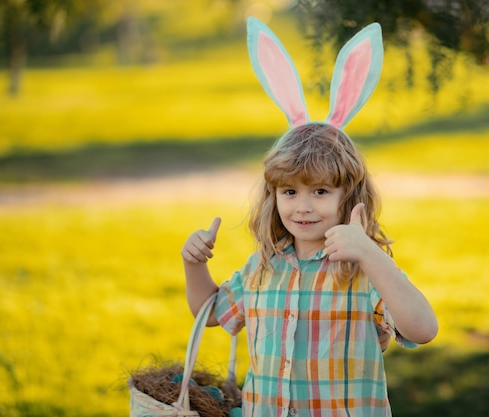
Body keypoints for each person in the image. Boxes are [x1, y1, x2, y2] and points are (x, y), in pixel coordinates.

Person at [181, 18, 438, 417]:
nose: (303, 206)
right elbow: (210, 313)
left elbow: (423, 330)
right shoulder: (263, 267)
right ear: (274, 196)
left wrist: (370, 254)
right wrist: (193, 264)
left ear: (347, 194)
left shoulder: (360, 271)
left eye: (320, 191)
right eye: (290, 192)